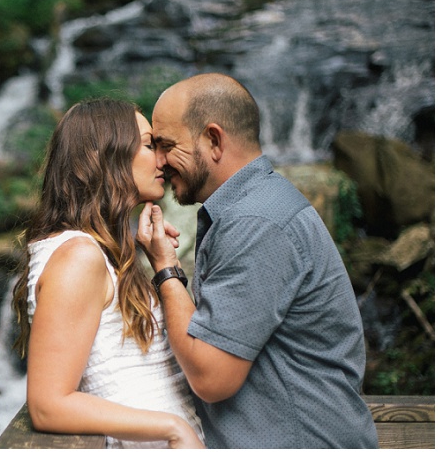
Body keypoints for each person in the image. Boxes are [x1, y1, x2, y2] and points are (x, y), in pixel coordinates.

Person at [137, 72, 379, 448]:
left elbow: (211, 377)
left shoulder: (254, 222)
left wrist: (165, 270)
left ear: (213, 140)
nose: (159, 160)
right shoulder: (254, 206)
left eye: (166, 144)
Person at [11, 98, 205, 449]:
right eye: (149, 145)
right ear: (104, 157)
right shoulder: (79, 257)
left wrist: (162, 262)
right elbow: (47, 404)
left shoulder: (100, 253)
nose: (163, 160)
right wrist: (175, 428)